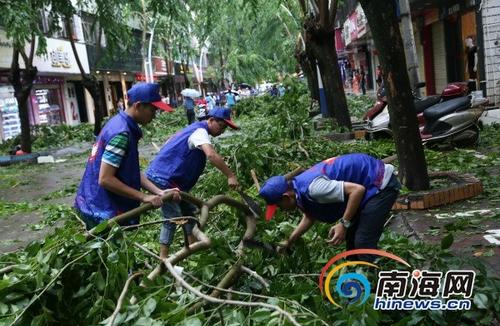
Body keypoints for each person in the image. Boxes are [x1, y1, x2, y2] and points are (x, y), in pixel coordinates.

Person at [259, 153, 401, 262]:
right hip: (365, 186)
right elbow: (309, 216)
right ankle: (359, 277)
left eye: (279, 206)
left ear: (286, 197)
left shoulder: (315, 189)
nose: (281, 210)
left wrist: (343, 224)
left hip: (380, 184)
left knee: (363, 242)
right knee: (352, 243)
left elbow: (357, 190)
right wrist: (289, 241)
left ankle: (377, 286)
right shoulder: (297, 188)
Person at [74, 83, 178, 230]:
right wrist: (143, 197)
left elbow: (130, 171)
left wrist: (158, 191)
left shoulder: (119, 124)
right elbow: (106, 179)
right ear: (138, 105)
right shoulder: (122, 134)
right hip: (102, 212)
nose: (155, 115)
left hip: (96, 205)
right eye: (153, 109)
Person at [146, 107, 241, 259]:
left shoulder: (192, 129)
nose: (222, 131)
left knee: (191, 213)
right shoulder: (200, 132)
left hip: (174, 183)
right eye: (221, 126)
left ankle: (192, 252)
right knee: (173, 217)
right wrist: (230, 175)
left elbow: (169, 141)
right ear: (210, 120)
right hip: (163, 179)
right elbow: (211, 154)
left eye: (225, 128)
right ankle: (163, 259)